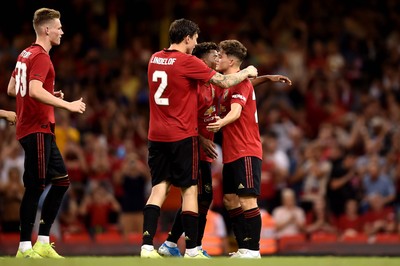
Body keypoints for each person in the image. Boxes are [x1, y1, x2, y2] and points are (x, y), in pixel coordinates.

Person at [142, 19, 257, 259]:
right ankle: (190, 248)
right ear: (187, 38)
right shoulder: (192, 69)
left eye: (220, 55)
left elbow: (231, 86)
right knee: (193, 193)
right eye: (195, 39)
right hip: (185, 140)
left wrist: (265, 78)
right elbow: (222, 84)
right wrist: (248, 71)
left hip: (159, 136)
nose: (217, 59)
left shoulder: (154, 58)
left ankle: (151, 246)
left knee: (165, 189)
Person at [6, 8, 86, 258]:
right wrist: (68, 105)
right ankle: (23, 248)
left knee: (61, 181)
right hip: (36, 128)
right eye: (59, 27)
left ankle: (42, 241)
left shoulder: (25, 53)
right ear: (46, 29)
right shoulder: (41, 56)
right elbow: (33, 91)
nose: (62, 31)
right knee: (35, 187)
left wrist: (50, 94)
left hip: (36, 128)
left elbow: (12, 88)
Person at [206, 40, 264, 259]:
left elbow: (237, 111)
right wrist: (267, 78)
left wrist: (220, 123)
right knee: (230, 200)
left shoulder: (240, 84)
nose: (217, 58)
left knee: (248, 200)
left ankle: (254, 250)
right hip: (231, 152)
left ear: (231, 60)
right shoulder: (230, 84)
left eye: (220, 55)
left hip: (246, 149)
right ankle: (243, 247)